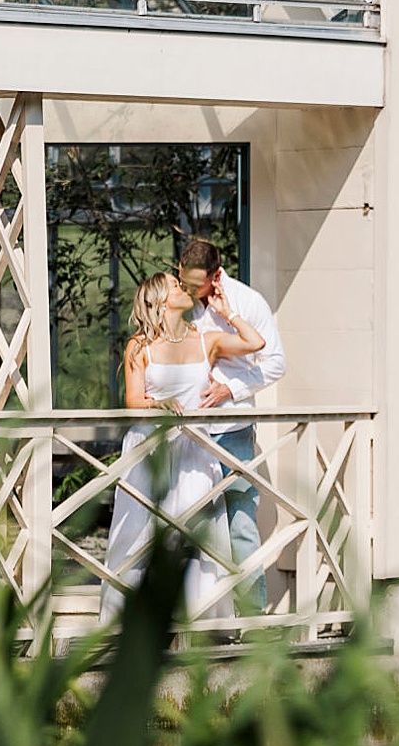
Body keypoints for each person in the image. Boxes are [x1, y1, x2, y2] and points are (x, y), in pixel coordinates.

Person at [99, 271, 266, 623]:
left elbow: (255, 343)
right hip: (150, 450)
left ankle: (201, 621)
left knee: (198, 537)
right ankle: (126, 622)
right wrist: (159, 404)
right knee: (136, 535)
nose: (183, 287)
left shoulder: (206, 340)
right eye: (175, 285)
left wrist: (226, 312)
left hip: (195, 451)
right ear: (160, 299)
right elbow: (132, 400)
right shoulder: (139, 346)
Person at [178, 237, 285, 614]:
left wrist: (231, 389)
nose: (189, 291)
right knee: (192, 525)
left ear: (216, 276)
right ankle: (198, 615)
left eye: (196, 285)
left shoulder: (247, 302)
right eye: (183, 282)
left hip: (232, 428)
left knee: (240, 523)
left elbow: (275, 363)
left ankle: (252, 617)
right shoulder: (178, 301)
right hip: (189, 431)